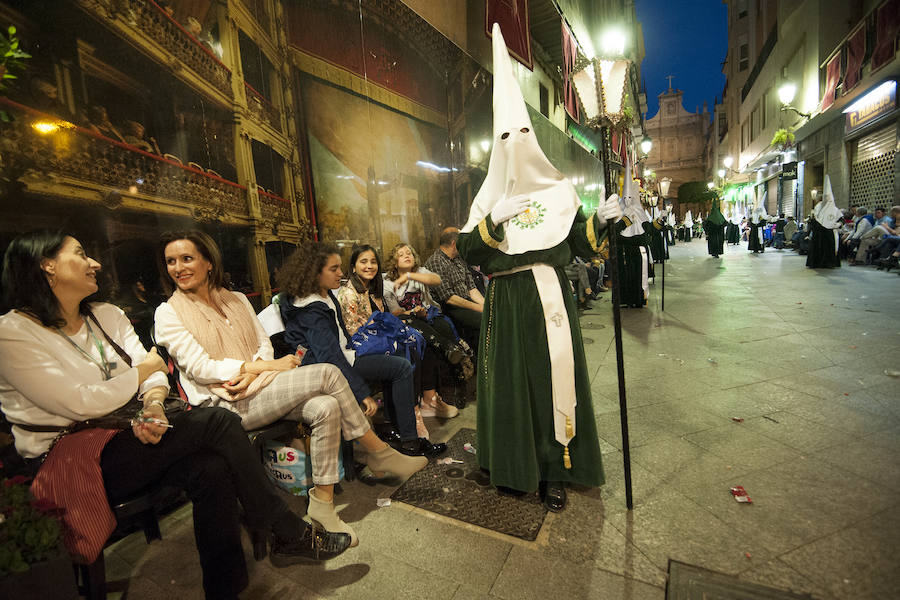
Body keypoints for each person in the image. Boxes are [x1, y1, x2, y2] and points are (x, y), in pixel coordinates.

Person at [0, 231, 353, 600]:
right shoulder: (13, 333)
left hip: (130, 431)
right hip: (71, 458)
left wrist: (152, 403)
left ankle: (226, 589)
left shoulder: (107, 315)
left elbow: (155, 373)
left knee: (211, 469)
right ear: (48, 266)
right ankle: (284, 528)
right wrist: (140, 375)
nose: (95, 263)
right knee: (218, 421)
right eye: (81, 253)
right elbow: (80, 402)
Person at [154, 231, 428, 547]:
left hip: (262, 387)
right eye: (171, 262)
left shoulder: (237, 299)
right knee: (327, 372)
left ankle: (323, 505)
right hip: (223, 407)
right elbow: (201, 368)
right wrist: (255, 368)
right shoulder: (168, 312)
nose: (178, 268)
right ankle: (377, 452)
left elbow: (263, 345)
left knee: (327, 405)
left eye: (187, 259)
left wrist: (257, 368)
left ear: (208, 262)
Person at [456, 23, 616, 512]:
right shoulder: (487, 198)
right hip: (505, 304)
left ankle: (554, 468)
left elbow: (579, 244)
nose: (517, 140)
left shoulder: (559, 191)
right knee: (509, 385)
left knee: (552, 379)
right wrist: (491, 225)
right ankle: (511, 464)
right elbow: (467, 252)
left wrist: (603, 225)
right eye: (507, 134)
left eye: (524, 131)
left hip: (551, 300)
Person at [277, 241, 447, 459]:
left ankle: (400, 431)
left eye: (340, 267)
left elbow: (341, 338)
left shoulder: (324, 293)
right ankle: (410, 442)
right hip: (327, 369)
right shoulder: (310, 309)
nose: (341, 273)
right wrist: (361, 392)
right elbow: (329, 357)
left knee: (403, 353)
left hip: (345, 354)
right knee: (401, 367)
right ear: (314, 272)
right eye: (334, 269)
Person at [337, 244, 457, 438]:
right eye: (363, 262)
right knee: (407, 352)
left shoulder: (373, 289)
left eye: (373, 262)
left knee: (418, 341)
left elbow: (385, 318)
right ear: (353, 267)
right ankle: (412, 419)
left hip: (381, 338)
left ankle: (424, 403)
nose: (369, 266)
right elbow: (357, 333)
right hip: (363, 347)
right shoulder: (350, 293)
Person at [382, 242, 472, 413]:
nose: (407, 255)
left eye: (409, 252)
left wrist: (409, 276)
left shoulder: (420, 272)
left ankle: (458, 384)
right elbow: (397, 312)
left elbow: (436, 280)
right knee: (432, 341)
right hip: (410, 319)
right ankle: (450, 355)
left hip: (430, 314)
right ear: (394, 262)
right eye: (401, 254)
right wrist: (413, 311)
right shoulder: (387, 282)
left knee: (445, 329)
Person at [423, 227, 483, 351]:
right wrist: (478, 308)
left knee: (492, 313)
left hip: (466, 302)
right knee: (484, 320)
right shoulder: (436, 261)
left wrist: (486, 305)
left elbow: (471, 287)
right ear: (454, 243)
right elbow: (448, 298)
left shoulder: (458, 259)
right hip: (451, 307)